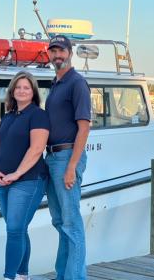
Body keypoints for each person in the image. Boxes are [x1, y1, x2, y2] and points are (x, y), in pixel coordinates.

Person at [0, 71, 50, 280]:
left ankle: (9, 276)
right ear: (12, 91)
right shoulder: (7, 117)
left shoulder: (38, 115)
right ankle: (23, 275)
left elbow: (36, 149)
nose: (21, 91)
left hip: (28, 180)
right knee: (18, 229)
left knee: (14, 229)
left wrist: (16, 174)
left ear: (33, 92)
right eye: (18, 87)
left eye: (26, 87)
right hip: (4, 180)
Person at [45, 35, 91, 280]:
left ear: (70, 53)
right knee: (60, 222)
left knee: (71, 225)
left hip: (67, 157)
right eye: (53, 51)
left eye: (61, 51)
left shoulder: (77, 83)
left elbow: (84, 127)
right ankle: (63, 275)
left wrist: (72, 166)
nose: (57, 55)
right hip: (52, 158)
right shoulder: (56, 83)